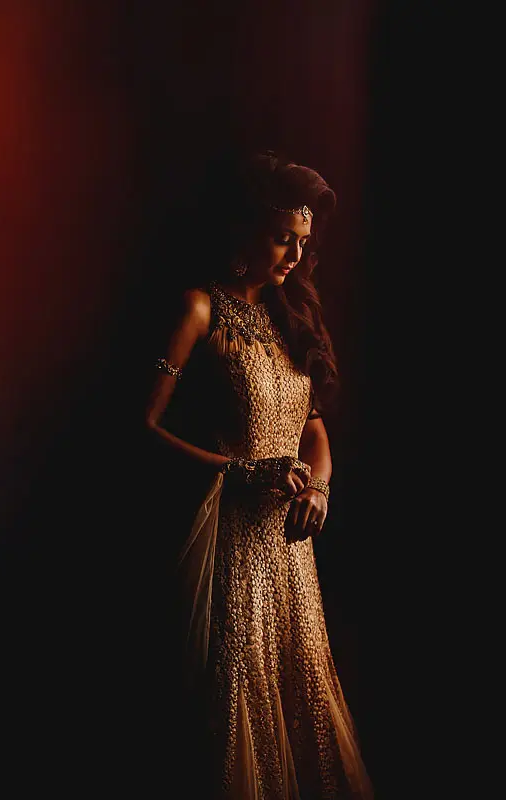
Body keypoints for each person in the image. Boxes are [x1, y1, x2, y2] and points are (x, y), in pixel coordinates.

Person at [144, 150, 375, 799]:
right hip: (228, 546)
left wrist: (321, 489)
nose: (295, 255)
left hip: (291, 556)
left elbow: (314, 429)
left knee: (301, 703)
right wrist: (239, 471)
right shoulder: (198, 310)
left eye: (302, 242)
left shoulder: (291, 319)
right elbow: (141, 429)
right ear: (244, 230)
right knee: (233, 706)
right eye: (282, 238)